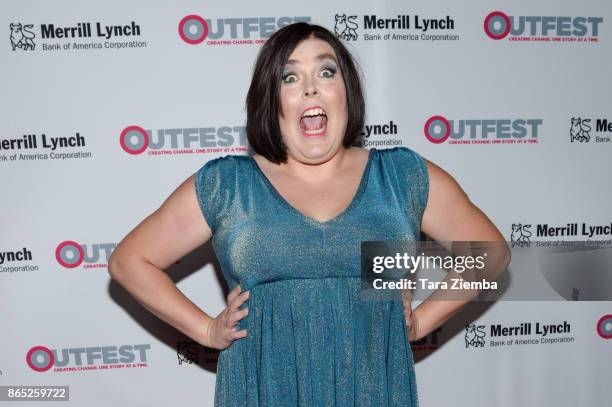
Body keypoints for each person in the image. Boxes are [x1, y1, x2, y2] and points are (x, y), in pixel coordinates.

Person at [108, 22, 510, 406]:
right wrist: (206, 329)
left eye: (326, 71)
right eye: (290, 77)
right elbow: (130, 262)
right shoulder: (228, 185)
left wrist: (420, 322)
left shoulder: (401, 178)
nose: (311, 88)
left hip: (374, 390)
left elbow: (491, 253)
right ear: (272, 100)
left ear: (346, 92)